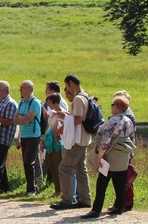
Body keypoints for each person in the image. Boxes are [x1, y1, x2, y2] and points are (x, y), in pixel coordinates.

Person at [81, 96, 136, 219]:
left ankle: (96, 210)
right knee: (119, 183)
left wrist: (100, 156)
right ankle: (119, 207)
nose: (111, 107)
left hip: (110, 157)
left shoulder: (112, 121)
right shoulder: (129, 121)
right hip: (122, 157)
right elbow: (132, 139)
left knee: (101, 183)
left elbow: (105, 141)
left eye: (112, 105)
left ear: (116, 107)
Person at [50, 74, 92, 211]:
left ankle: (67, 200)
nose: (67, 89)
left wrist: (65, 119)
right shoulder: (85, 96)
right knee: (80, 169)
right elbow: (76, 117)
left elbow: (78, 120)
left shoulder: (79, 99)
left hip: (77, 140)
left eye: (67, 86)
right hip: (84, 139)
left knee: (64, 168)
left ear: (71, 83)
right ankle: (85, 199)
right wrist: (66, 116)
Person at [13, 80, 43, 195]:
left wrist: (21, 118)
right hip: (24, 135)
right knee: (27, 162)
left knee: (28, 162)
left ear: (29, 90)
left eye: (22, 88)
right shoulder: (21, 102)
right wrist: (21, 118)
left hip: (33, 136)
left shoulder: (34, 102)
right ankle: (31, 186)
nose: (20, 90)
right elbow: (15, 119)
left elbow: (28, 119)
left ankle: (32, 188)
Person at [0, 80, 17, 194]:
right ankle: (5, 186)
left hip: (3, 138)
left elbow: (10, 120)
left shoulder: (10, 103)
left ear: (4, 90)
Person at [43, 93, 64, 197]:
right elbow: (49, 127)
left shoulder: (62, 113)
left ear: (55, 102)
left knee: (58, 166)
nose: (49, 105)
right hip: (50, 142)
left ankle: (63, 190)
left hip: (58, 143)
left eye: (50, 103)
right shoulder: (52, 114)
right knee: (52, 167)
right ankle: (57, 190)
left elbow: (62, 126)